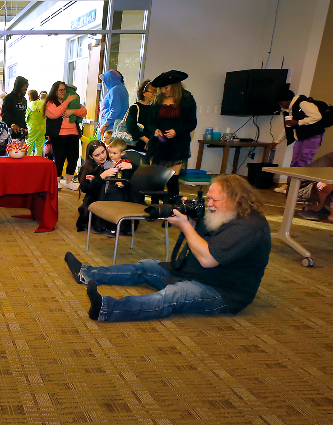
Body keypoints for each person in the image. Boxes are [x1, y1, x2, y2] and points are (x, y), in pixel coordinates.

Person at [65, 174, 271, 322]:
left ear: (235, 200)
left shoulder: (249, 226)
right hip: (191, 272)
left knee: (173, 296)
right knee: (145, 266)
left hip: (223, 291)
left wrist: (186, 226)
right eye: (208, 198)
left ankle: (108, 308)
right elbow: (202, 240)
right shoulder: (225, 214)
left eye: (213, 200)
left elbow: (208, 259)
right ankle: (86, 273)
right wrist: (192, 220)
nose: (209, 204)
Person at [147, 70, 197, 203]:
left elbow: (191, 123)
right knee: (156, 178)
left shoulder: (187, 99)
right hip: (158, 145)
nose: (163, 91)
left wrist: (177, 131)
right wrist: (155, 130)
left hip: (177, 146)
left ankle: (172, 210)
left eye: (166, 87)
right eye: (162, 88)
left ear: (175, 85)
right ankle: (154, 207)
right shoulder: (158, 100)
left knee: (172, 180)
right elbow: (150, 122)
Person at [273, 89, 327, 194]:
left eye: (281, 103)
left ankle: (298, 189)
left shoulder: (303, 103)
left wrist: (298, 122)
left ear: (286, 100)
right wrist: (277, 141)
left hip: (312, 137)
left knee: (303, 163)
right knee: (294, 163)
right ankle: (289, 186)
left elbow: (317, 116)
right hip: (301, 137)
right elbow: (288, 127)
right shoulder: (292, 108)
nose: (281, 106)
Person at [46, 81, 87, 190]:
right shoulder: (51, 102)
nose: (63, 92)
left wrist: (72, 111)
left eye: (64, 89)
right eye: (61, 90)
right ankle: (57, 181)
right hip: (58, 135)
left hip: (73, 133)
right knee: (59, 158)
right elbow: (55, 113)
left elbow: (83, 111)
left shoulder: (74, 100)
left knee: (73, 157)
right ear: (55, 91)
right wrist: (67, 102)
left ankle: (69, 181)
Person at [77, 140, 113, 232]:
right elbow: (85, 189)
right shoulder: (86, 169)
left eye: (103, 152)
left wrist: (130, 165)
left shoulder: (114, 160)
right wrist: (100, 177)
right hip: (95, 198)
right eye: (97, 155)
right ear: (91, 157)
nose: (102, 156)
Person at [126, 79, 157, 157]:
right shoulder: (135, 107)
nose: (154, 94)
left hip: (149, 147)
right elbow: (131, 126)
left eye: (155, 92)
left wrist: (151, 142)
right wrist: (146, 140)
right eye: (152, 91)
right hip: (134, 146)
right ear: (144, 92)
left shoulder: (155, 108)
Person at [97, 70, 129, 137]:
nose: (105, 83)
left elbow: (115, 110)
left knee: (106, 146)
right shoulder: (122, 88)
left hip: (110, 128)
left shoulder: (115, 90)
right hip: (115, 126)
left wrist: (105, 125)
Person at [1, 77, 29, 143]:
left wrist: (25, 129)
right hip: (10, 132)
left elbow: (23, 115)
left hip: (21, 132)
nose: (25, 88)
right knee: (11, 151)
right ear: (19, 86)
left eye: (26, 86)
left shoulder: (24, 100)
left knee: (21, 152)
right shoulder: (9, 98)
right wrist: (11, 124)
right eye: (24, 86)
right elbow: (5, 113)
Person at [25, 89, 46, 156]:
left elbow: (26, 117)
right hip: (42, 127)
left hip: (33, 127)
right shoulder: (43, 104)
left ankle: (26, 157)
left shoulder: (30, 105)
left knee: (29, 143)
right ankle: (38, 158)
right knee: (40, 144)